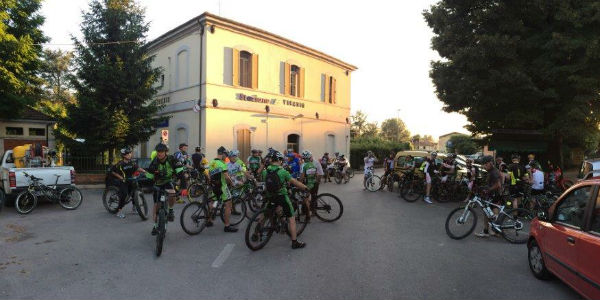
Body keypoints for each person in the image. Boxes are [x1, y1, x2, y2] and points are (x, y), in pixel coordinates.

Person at [260, 150, 309, 249]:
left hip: (270, 196)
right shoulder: (283, 172)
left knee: (265, 214)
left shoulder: (265, 171)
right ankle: (294, 242)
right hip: (281, 196)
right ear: (279, 160)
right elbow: (294, 182)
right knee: (291, 218)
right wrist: (305, 187)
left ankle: (256, 233)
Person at [146, 143, 185, 235]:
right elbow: (149, 178)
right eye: (158, 151)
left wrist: (184, 188)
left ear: (165, 152)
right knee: (156, 206)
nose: (159, 153)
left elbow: (181, 174)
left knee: (172, 192)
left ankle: (171, 210)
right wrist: (149, 187)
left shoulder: (172, 160)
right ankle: (155, 226)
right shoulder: (154, 162)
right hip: (158, 184)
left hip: (168, 182)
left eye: (161, 151)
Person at [110, 147, 146, 219]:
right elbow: (112, 171)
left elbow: (137, 168)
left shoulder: (132, 162)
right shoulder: (120, 164)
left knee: (134, 192)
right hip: (124, 181)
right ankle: (118, 211)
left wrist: (145, 171)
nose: (129, 154)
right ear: (124, 155)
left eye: (130, 153)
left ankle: (135, 207)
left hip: (131, 180)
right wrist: (121, 178)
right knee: (124, 195)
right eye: (127, 154)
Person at [208, 146, 238, 232]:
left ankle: (209, 220)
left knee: (213, 202)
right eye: (226, 155)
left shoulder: (212, 162)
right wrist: (232, 184)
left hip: (214, 186)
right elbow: (227, 178)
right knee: (228, 204)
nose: (227, 157)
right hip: (222, 187)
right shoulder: (222, 164)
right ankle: (227, 226)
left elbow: (209, 175)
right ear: (223, 154)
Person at [475, 155, 503, 238]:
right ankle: (491, 231)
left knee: (490, 212)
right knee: (488, 212)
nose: (484, 166)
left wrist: (488, 190)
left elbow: (498, 185)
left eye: (485, 164)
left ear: (490, 163)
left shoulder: (494, 172)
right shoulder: (492, 171)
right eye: (483, 164)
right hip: (494, 194)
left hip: (494, 195)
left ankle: (492, 231)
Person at [299, 150, 322, 221]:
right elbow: (317, 174)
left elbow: (302, 177)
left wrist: (299, 184)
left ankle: (308, 216)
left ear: (304, 158)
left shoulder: (303, 165)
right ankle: (312, 211)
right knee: (313, 197)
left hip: (307, 185)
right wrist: (316, 181)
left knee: (305, 199)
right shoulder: (313, 164)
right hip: (314, 183)